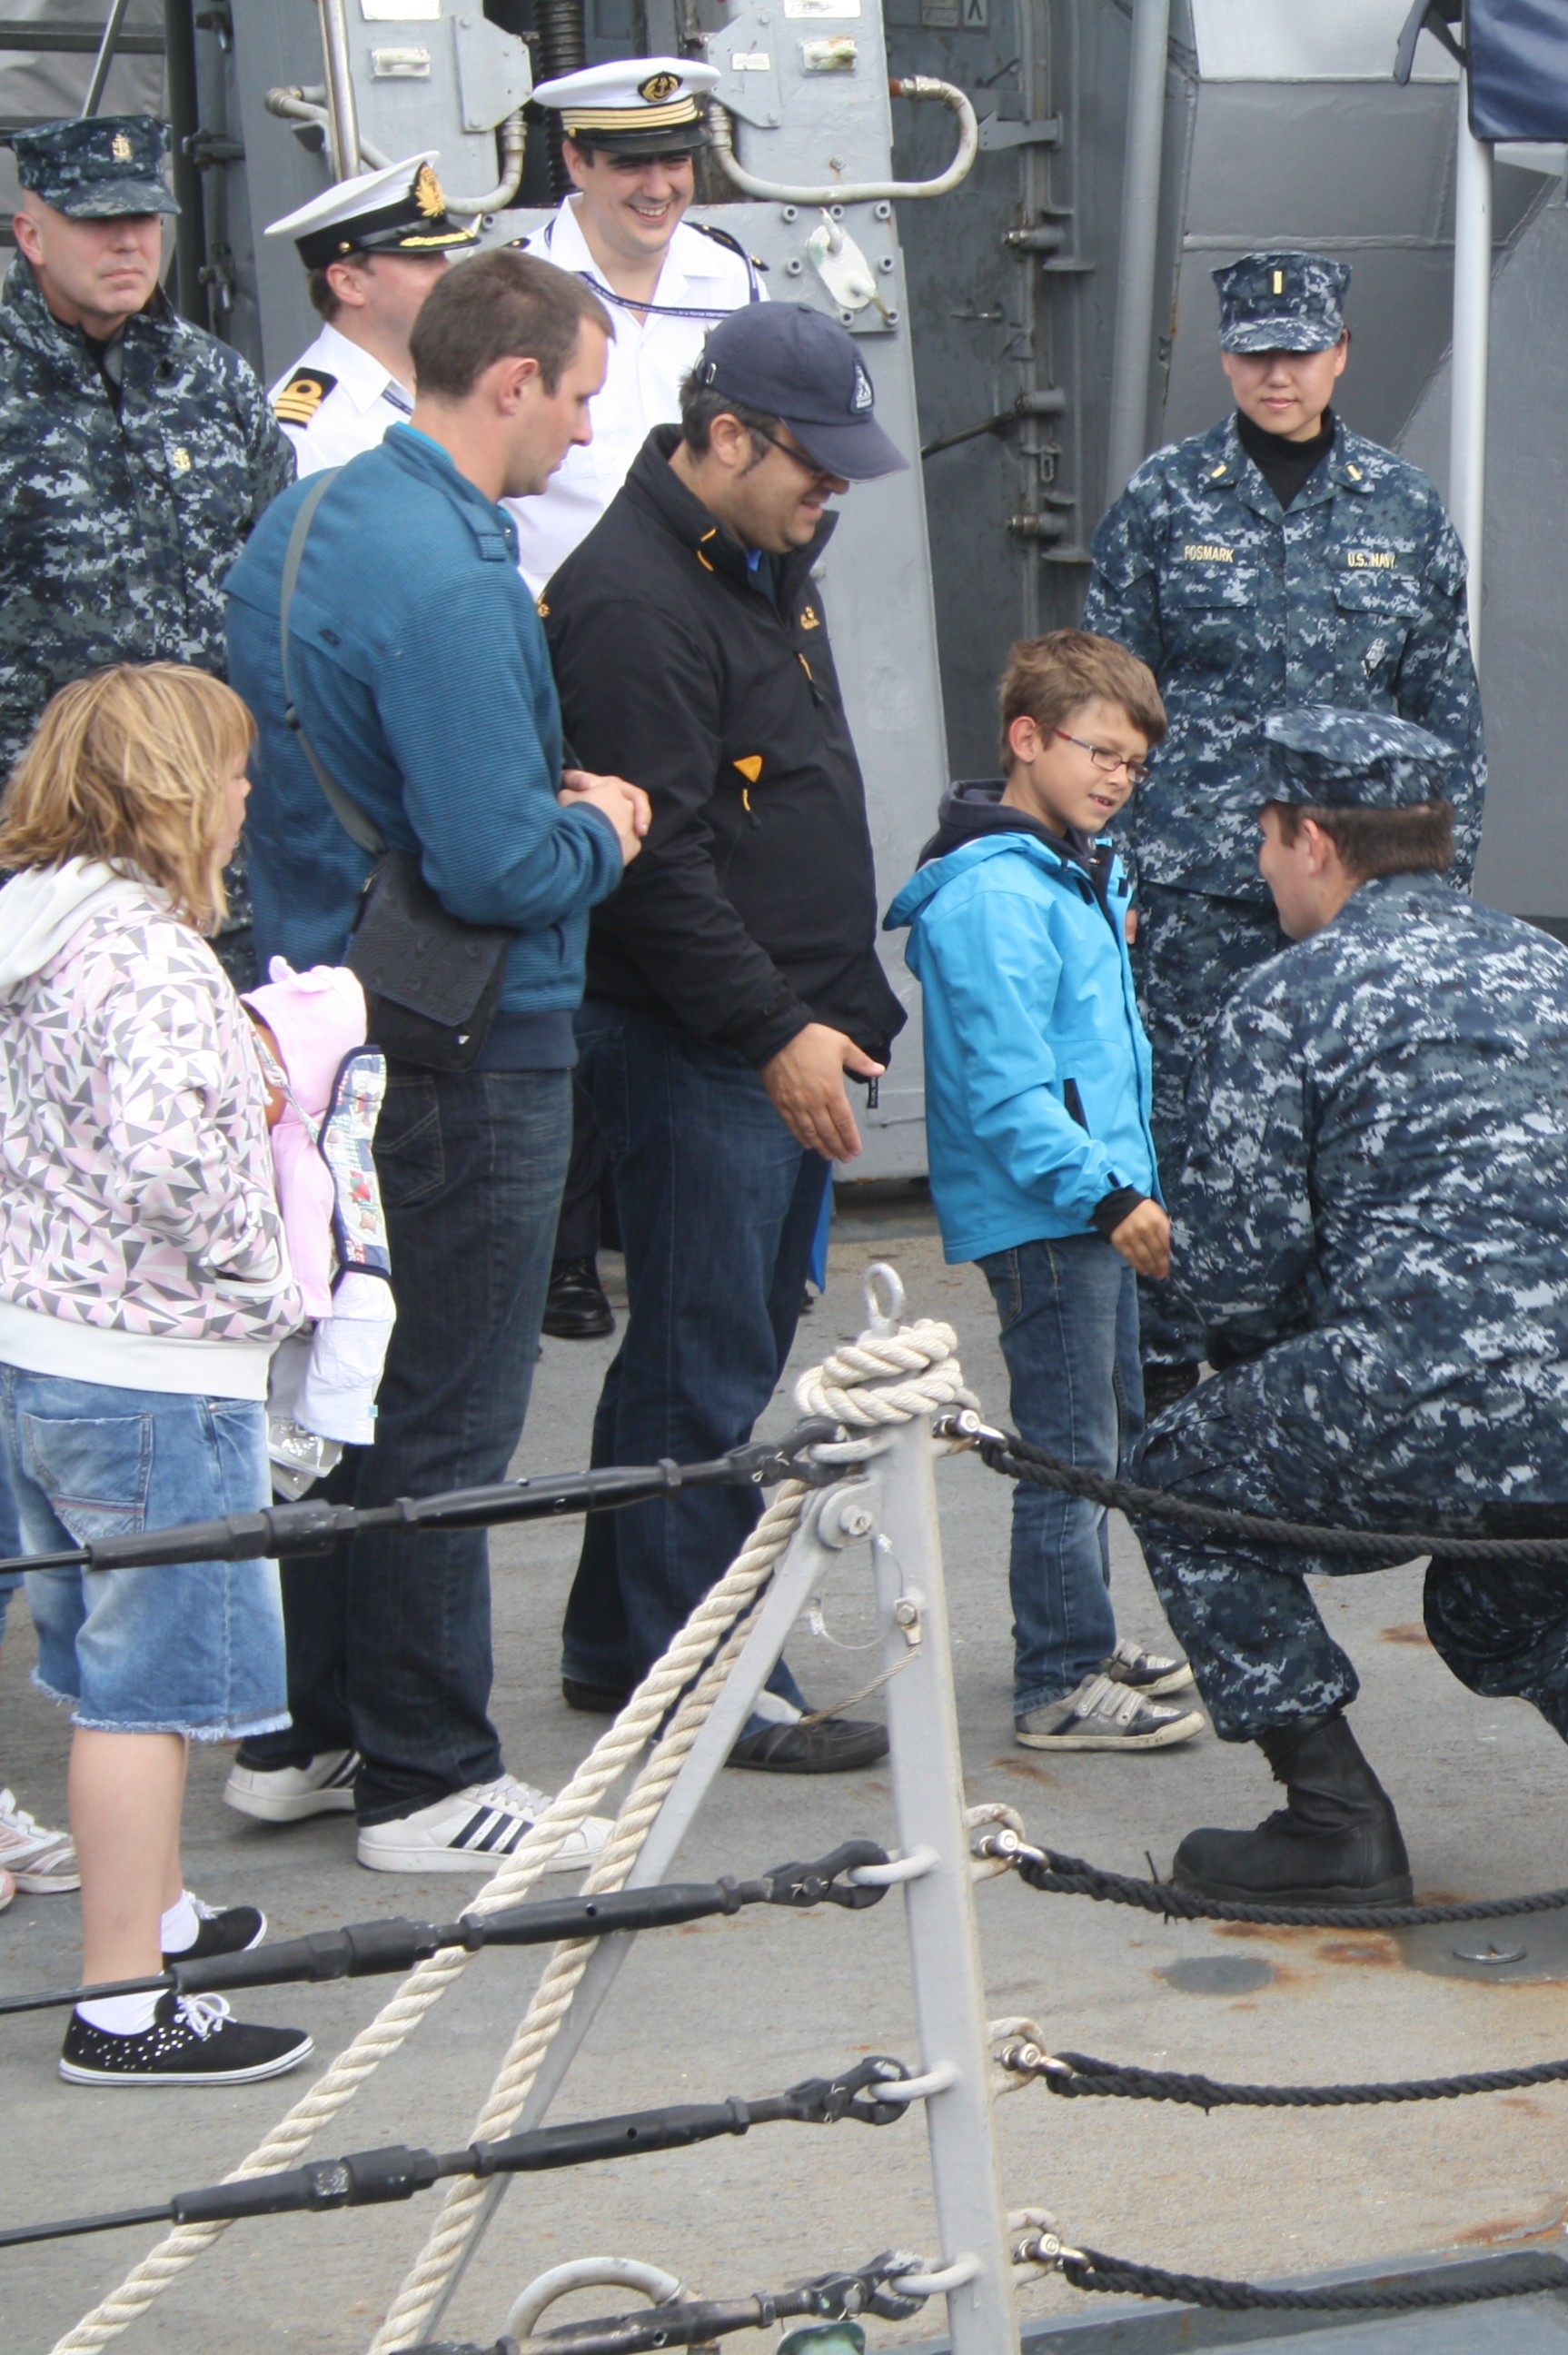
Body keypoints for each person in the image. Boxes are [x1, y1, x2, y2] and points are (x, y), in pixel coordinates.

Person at [1126, 709, 1568, 1918]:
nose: (1259, 870)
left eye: (1265, 840)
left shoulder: (1286, 999)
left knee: (1172, 1479)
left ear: (1313, 839)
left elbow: (1228, 1278)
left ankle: (1334, 1824)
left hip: (1428, 1391)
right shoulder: (1551, 966)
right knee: (1507, 1603)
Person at [222, 249, 652, 1873]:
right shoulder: (459, 577)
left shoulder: (310, 515)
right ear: (513, 380)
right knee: (447, 1415)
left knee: (342, 1390)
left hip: (330, 1021)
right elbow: (492, 867)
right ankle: (426, 1774)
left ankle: (305, 1733)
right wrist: (598, 827)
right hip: (469, 1040)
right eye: (582, 396)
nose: (588, 434)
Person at [542, 303, 915, 1773]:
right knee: (704, 1364)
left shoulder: (756, 559)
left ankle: (612, 1643)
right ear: (722, 436)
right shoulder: (638, 603)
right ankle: (688, 1677)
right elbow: (661, 864)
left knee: (712, 1347)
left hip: (779, 1025)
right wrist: (778, 1032)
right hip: (705, 1044)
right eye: (810, 466)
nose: (832, 494)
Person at [1084, 250, 1483, 1405]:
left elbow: (1447, 714)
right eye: (1256, 353)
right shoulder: (1165, 500)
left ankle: (1313, 1370)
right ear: (1227, 358)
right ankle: (1162, 1370)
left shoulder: (1402, 509)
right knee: (1181, 1121)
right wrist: (1105, 874)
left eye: (1300, 351)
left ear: (1340, 355)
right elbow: (1105, 699)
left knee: (1346, 1124)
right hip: (1194, 890)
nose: (1277, 374)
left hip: (1356, 894)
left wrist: (1438, 899)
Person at [0, 664, 308, 2083]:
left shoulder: (32, 930)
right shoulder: (153, 956)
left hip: (36, 1361)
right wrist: (278, 1280)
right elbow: (181, 1167)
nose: (251, 798)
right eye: (234, 774)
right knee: (156, 1685)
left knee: (97, 1660)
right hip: (150, 1373)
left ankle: (160, 1904)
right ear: (180, 793)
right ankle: (123, 2003)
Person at [888, 631, 1208, 1753]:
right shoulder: (995, 899)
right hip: (1053, 1210)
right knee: (1068, 1445)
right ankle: (1059, 1681)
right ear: (1027, 741)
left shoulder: (1071, 869)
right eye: (1100, 753)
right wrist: (1111, 1194)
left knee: (1105, 1428)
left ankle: (1080, 1626)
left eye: (1134, 763)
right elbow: (1014, 1092)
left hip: (1085, 1201)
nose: (1118, 778)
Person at [0, 115, 291, 983]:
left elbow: (275, 571)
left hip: (207, 843)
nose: (128, 242)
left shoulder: (214, 379)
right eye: (97, 222)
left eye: (145, 220)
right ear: (31, 235)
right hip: (42, 845)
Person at [502, 56, 761, 596]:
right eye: (630, 165)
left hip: (709, 618)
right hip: (565, 627)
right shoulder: (512, 293)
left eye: (675, 161)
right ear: (577, 161)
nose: (658, 187)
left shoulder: (732, 277)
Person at [262, 152, 477, 476]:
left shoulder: (453, 374)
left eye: (443, 254)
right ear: (348, 284)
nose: (447, 271)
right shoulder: (306, 434)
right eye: (422, 258)